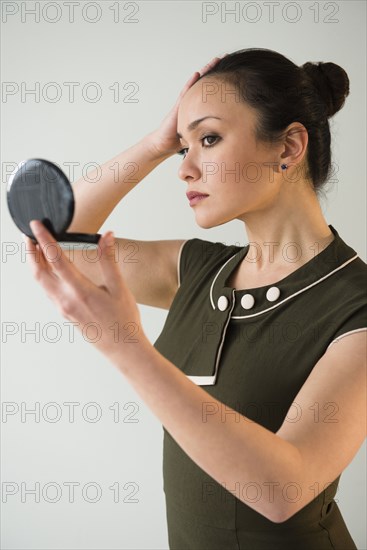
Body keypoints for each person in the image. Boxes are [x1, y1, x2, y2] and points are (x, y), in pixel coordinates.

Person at [23, 48, 366, 549]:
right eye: (184, 148)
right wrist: (156, 143)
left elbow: (282, 490)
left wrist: (126, 347)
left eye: (208, 139)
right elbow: (49, 237)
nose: (185, 169)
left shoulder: (354, 306)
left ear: (289, 146)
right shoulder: (196, 271)